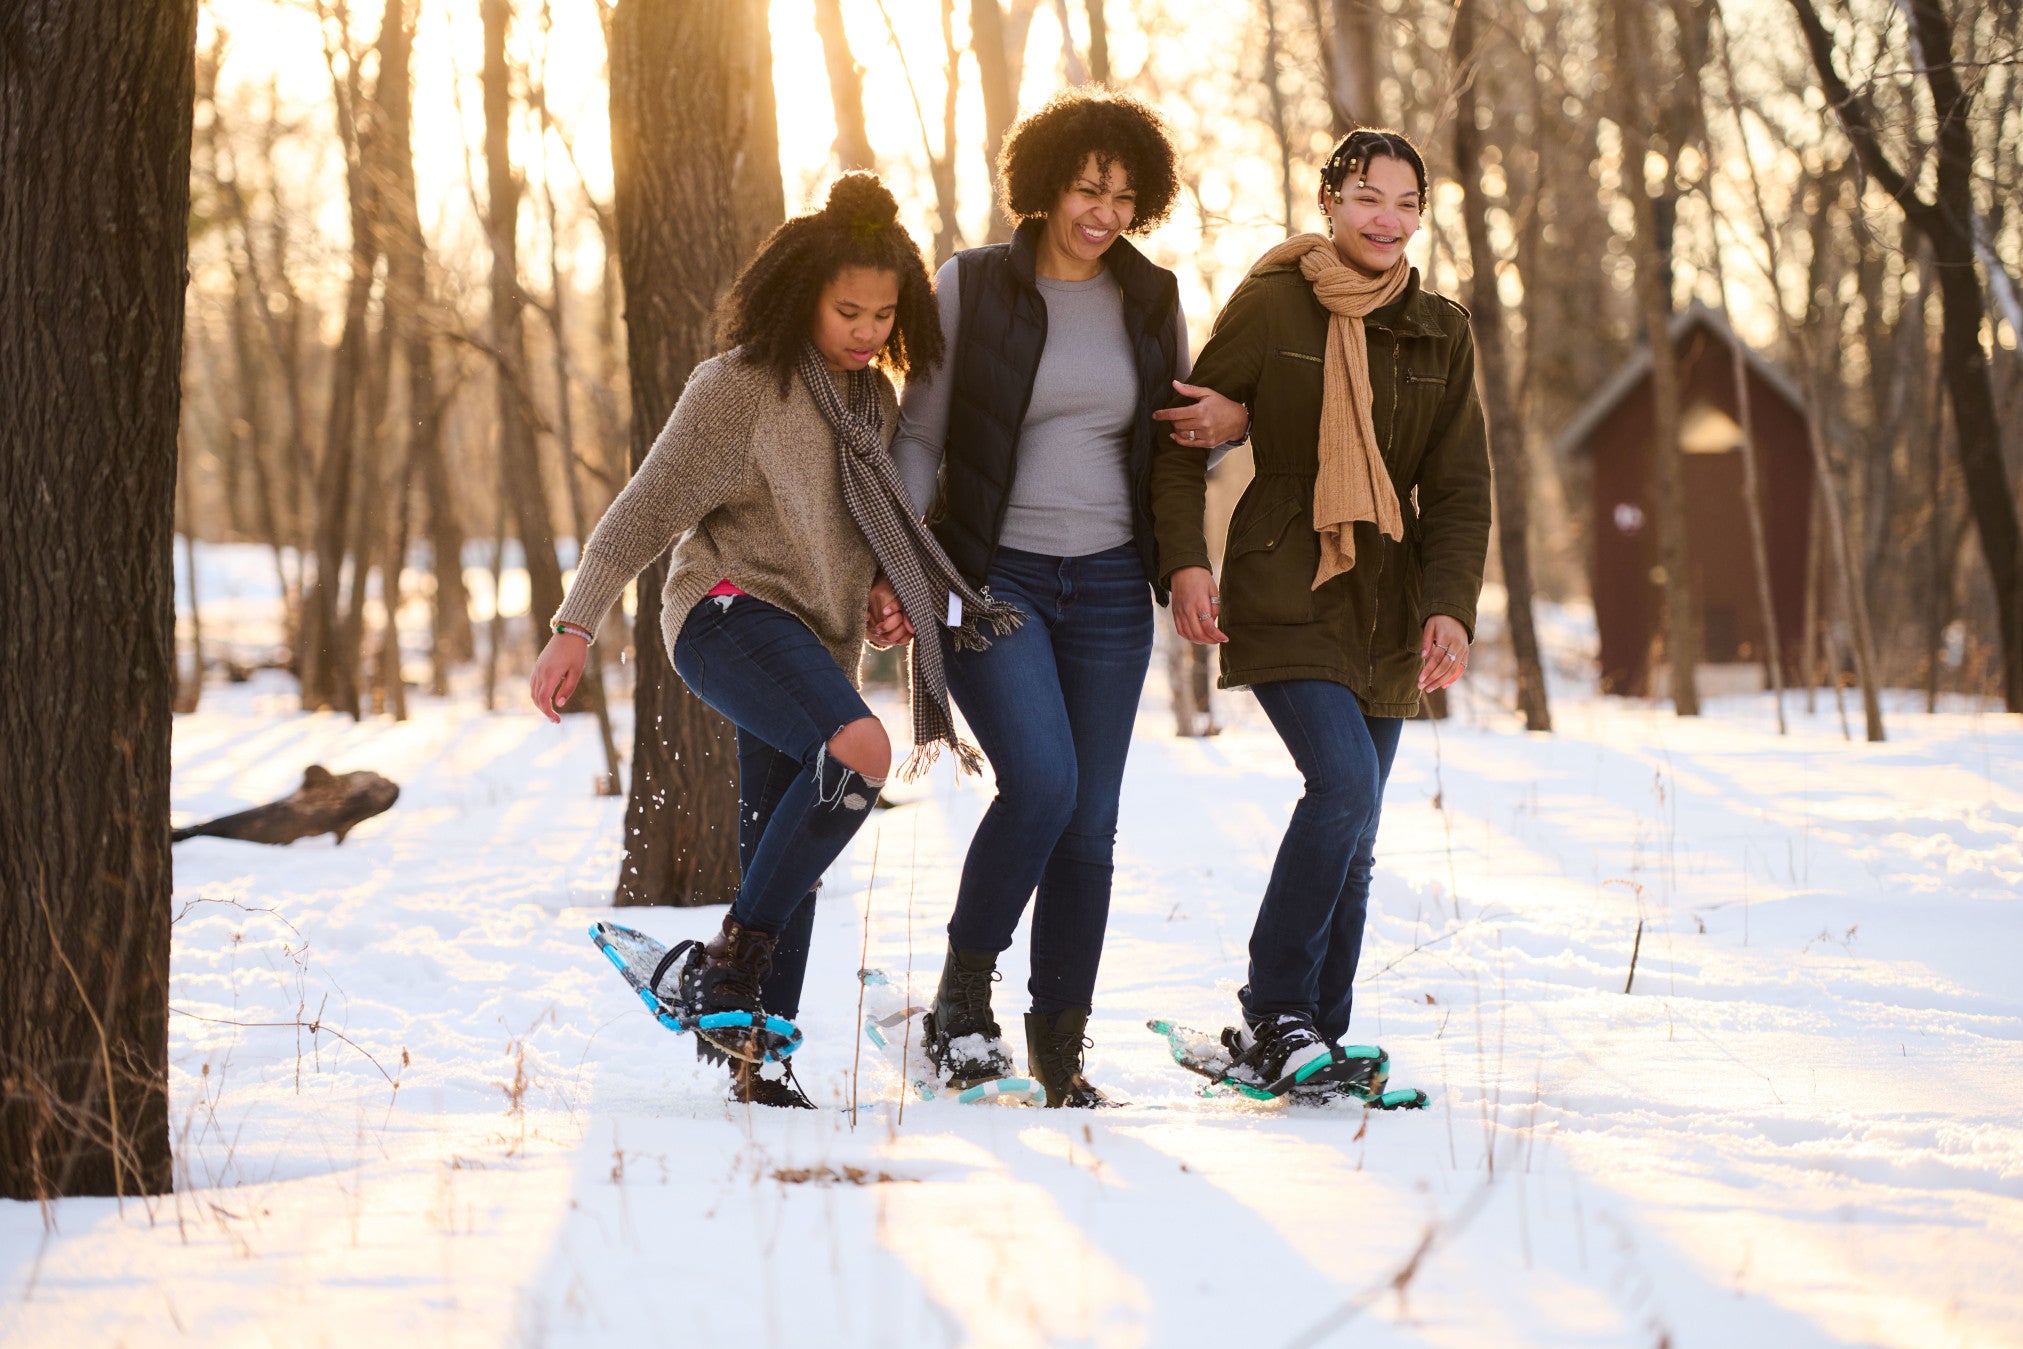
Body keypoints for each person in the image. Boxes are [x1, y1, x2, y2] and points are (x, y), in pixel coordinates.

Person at [531, 174, 1016, 1109]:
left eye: (884, 314)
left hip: (817, 643)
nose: (867, 330)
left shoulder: (872, 409)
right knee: (860, 751)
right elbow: (642, 513)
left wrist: (885, 593)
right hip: (724, 612)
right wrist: (574, 623)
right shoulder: (740, 388)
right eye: (847, 310)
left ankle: (762, 1063)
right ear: (802, 295)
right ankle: (725, 970)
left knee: (784, 851)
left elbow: (859, 535)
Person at [892, 87, 1249, 1107]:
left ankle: (1060, 1045)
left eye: (1124, 196)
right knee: (1042, 783)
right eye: (1088, 188)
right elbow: (919, 431)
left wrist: (1194, 527)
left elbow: (1179, 447)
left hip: (1104, 582)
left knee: (1089, 821)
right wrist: (903, 556)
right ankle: (962, 999)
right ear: (1046, 182)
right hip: (990, 574)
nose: (1103, 211)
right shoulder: (970, 286)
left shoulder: (1150, 297)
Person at [1152, 129, 1491, 1095]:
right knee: (1341, 786)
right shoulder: (1273, 301)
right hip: (1286, 581)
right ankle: (1276, 1011)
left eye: (1405, 202)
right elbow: (1183, 437)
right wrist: (1182, 560)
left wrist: (1451, 607)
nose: (1386, 219)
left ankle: (1319, 1035)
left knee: (1361, 822)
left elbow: (1460, 488)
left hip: (1391, 600)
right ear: (1329, 202)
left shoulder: (1442, 328)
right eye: (1365, 197)